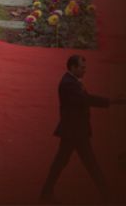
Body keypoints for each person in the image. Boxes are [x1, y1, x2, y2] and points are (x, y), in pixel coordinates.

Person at [37, 54, 121, 203]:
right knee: (90, 164)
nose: (85, 70)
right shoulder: (69, 84)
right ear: (73, 67)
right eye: (82, 68)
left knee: (62, 162)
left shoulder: (72, 81)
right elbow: (87, 100)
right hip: (75, 132)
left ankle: (46, 191)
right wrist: (112, 101)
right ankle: (107, 196)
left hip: (73, 131)